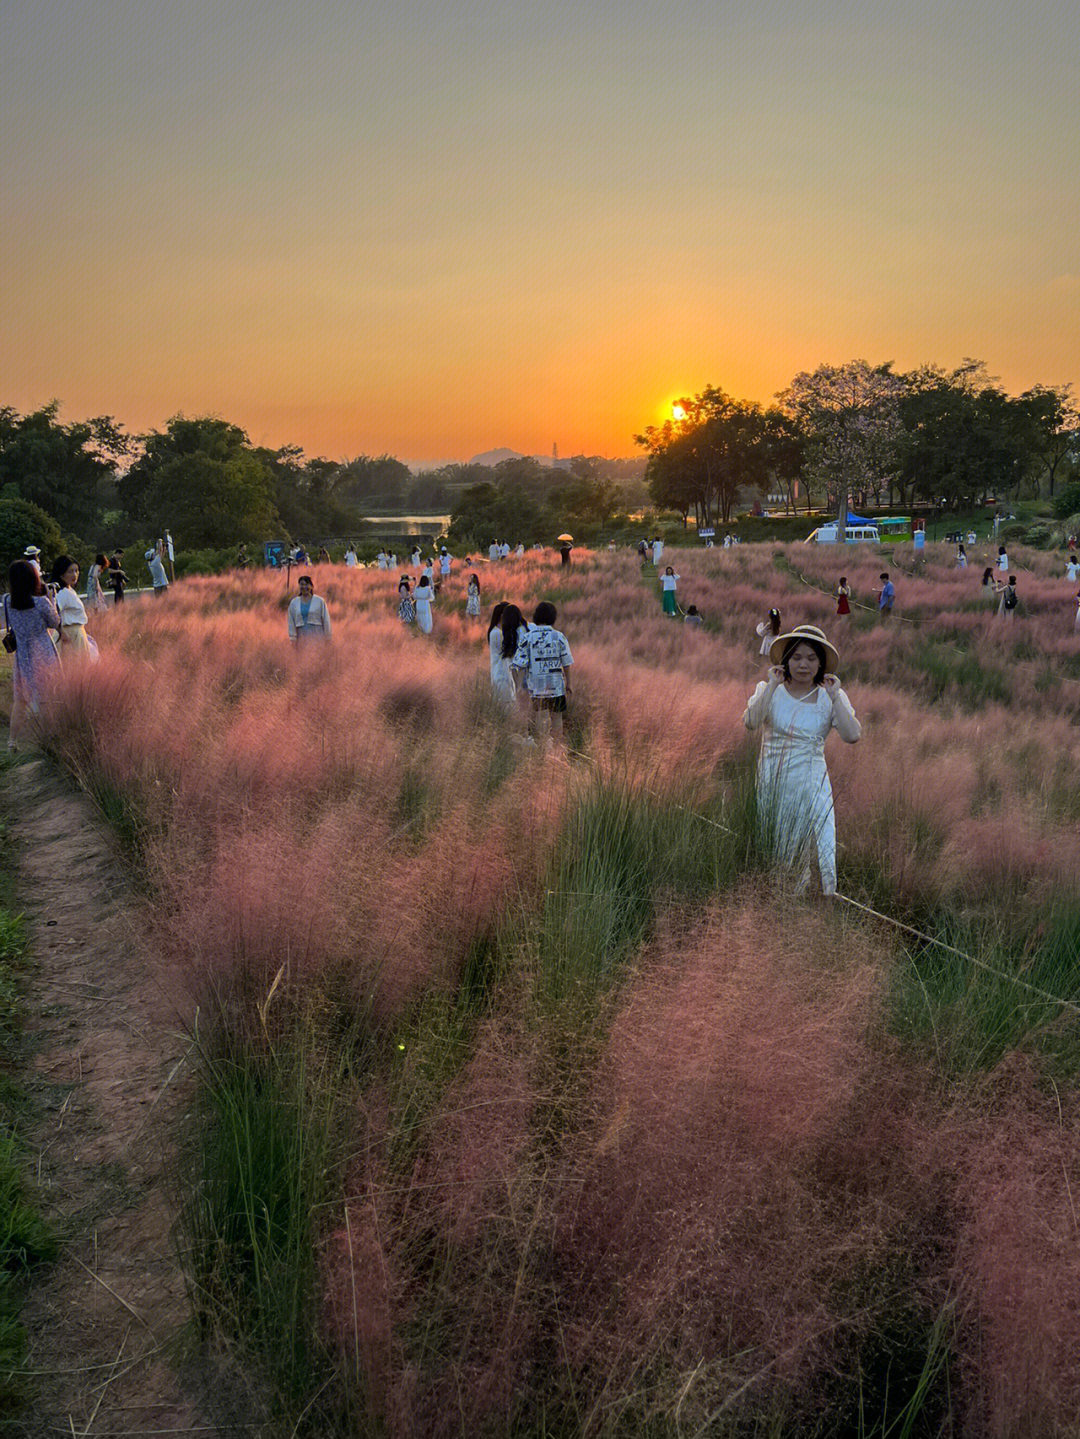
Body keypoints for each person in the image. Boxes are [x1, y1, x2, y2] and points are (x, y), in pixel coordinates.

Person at [742, 623, 861, 897]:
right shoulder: (769, 689)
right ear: (786, 660)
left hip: (811, 782)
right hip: (774, 779)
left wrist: (834, 696)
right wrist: (772, 685)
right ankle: (781, 897)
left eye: (811, 658)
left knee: (816, 840)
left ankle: (814, 895)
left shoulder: (831, 696)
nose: (803, 665)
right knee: (777, 839)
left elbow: (853, 735)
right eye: (796, 657)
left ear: (820, 663)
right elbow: (750, 722)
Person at [4, 560, 61, 750]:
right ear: (33, 578)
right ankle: (48, 742)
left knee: (21, 700)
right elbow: (55, 621)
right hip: (43, 653)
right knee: (47, 698)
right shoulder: (40, 602)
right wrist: (50, 597)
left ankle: (12, 742)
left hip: (23, 656)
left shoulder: (7, 601)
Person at [512, 600, 573, 741]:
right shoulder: (559, 637)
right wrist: (569, 683)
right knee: (557, 719)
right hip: (556, 685)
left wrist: (520, 686)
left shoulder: (528, 638)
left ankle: (543, 749)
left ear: (536, 616)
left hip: (537, 687)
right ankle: (557, 749)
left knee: (541, 719)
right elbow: (566, 662)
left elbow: (520, 664)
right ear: (553, 617)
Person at [50, 555, 96, 662]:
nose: (74, 575)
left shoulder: (68, 590)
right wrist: (61, 631)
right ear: (61, 574)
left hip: (75, 633)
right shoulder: (63, 593)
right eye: (70, 571)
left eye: (76, 571)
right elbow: (53, 613)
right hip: (70, 635)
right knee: (75, 666)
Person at [489, 602, 527, 710]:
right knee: (507, 706)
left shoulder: (498, 632)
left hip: (502, 673)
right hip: (502, 673)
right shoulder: (497, 633)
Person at [287, 575, 331, 642]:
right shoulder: (294, 603)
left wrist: (328, 637)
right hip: (301, 639)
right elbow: (291, 622)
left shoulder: (320, 601)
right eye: (302, 584)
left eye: (307, 584)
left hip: (317, 638)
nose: (304, 587)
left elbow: (326, 620)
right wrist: (292, 638)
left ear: (311, 586)